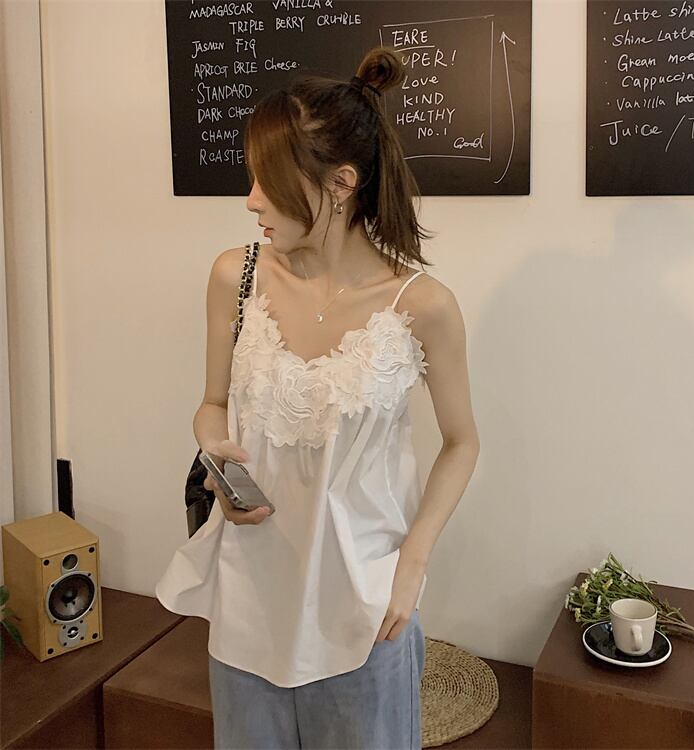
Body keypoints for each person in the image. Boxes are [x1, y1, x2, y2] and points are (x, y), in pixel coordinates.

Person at [155, 46, 480, 750]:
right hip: (248, 601)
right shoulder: (235, 276)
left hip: (364, 609)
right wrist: (217, 457)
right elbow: (211, 404)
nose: (251, 200)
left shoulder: (421, 305)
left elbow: (463, 442)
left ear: (341, 183)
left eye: (268, 181)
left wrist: (412, 564)